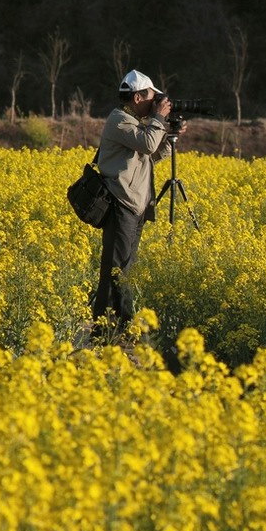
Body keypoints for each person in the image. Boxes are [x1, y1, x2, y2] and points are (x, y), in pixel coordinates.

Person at [91, 69, 187, 340]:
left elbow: (150, 156)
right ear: (136, 97)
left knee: (124, 270)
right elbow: (146, 145)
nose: (157, 102)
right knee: (115, 269)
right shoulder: (119, 120)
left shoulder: (135, 122)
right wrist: (158, 118)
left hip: (135, 206)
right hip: (121, 204)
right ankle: (103, 332)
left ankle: (121, 329)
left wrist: (169, 135)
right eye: (152, 97)